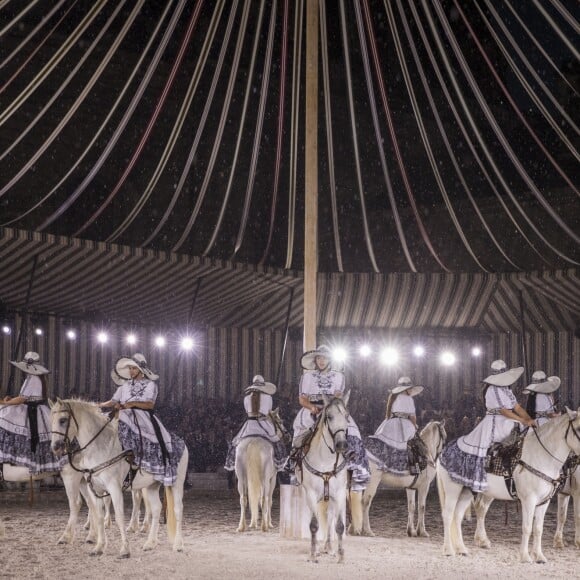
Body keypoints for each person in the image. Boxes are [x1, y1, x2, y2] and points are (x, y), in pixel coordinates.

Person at [440, 359, 536, 493]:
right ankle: (499, 468)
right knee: (515, 433)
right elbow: (504, 411)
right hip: (496, 421)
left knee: (528, 432)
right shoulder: (492, 389)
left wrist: (529, 419)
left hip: (508, 420)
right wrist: (523, 421)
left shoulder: (507, 389)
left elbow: (517, 407)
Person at [287, 345, 370, 492]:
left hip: (332, 408)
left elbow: (338, 397)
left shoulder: (339, 376)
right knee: (299, 430)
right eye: (319, 358)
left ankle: (355, 464)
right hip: (312, 408)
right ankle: (294, 465)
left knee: (352, 429)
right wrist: (312, 407)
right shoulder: (307, 377)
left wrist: (331, 408)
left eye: (324, 358)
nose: (321, 361)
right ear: (315, 360)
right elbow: (302, 399)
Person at [98, 353, 185, 486]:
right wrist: (100, 405)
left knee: (128, 419)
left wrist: (132, 404)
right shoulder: (124, 386)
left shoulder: (150, 385)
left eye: (134, 368)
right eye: (130, 368)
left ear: (141, 370)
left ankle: (135, 457)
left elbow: (150, 404)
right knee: (104, 420)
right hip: (124, 412)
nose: (131, 371)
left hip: (142, 415)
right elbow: (113, 401)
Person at [0, 351, 60, 473]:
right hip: (38, 409)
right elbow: (26, 396)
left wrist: (4, 403)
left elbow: (22, 399)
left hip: (31, 410)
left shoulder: (32, 378)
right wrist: (11, 399)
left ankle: (16, 463)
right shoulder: (39, 378)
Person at [224, 375, 288, 472]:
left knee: (235, 442)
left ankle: (231, 462)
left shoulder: (246, 398)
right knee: (277, 442)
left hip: (249, 424)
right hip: (263, 424)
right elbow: (268, 412)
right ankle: (282, 464)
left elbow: (247, 411)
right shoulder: (268, 397)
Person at [365, 376, 424, 475]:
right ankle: (413, 468)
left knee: (385, 445)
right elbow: (412, 417)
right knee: (414, 444)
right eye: (410, 388)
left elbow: (389, 413)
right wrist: (415, 427)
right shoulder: (409, 399)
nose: (411, 390)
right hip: (405, 425)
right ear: (406, 389)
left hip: (390, 423)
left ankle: (383, 465)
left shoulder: (393, 397)